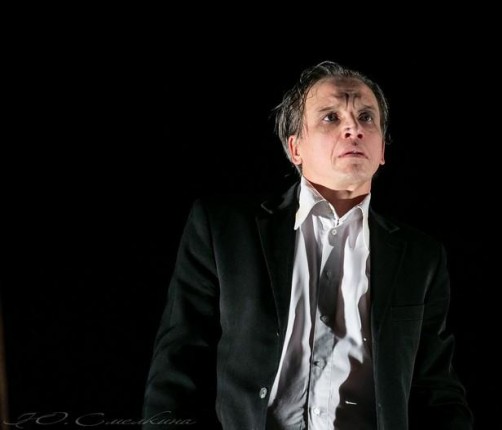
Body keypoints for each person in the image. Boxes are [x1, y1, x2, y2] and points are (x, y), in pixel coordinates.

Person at [143, 60, 473, 429]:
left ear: (382, 150)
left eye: (366, 117)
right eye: (331, 117)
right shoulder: (223, 230)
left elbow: (437, 389)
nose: (354, 128)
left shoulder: (421, 256)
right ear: (295, 147)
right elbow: (178, 365)